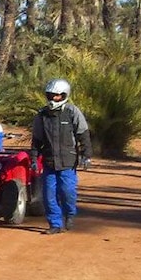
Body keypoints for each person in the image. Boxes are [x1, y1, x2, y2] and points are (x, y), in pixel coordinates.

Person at [31, 78, 92, 235]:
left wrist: (87, 155)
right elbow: (37, 139)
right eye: (51, 95)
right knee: (49, 194)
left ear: (64, 95)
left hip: (68, 162)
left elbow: (83, 134)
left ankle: (70, 214)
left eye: (57, 96)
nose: (54, 98)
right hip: (49, 161)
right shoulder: (42, 115)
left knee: (67, 191)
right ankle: (55, 224)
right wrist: (33, 158)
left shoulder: (72, 112)